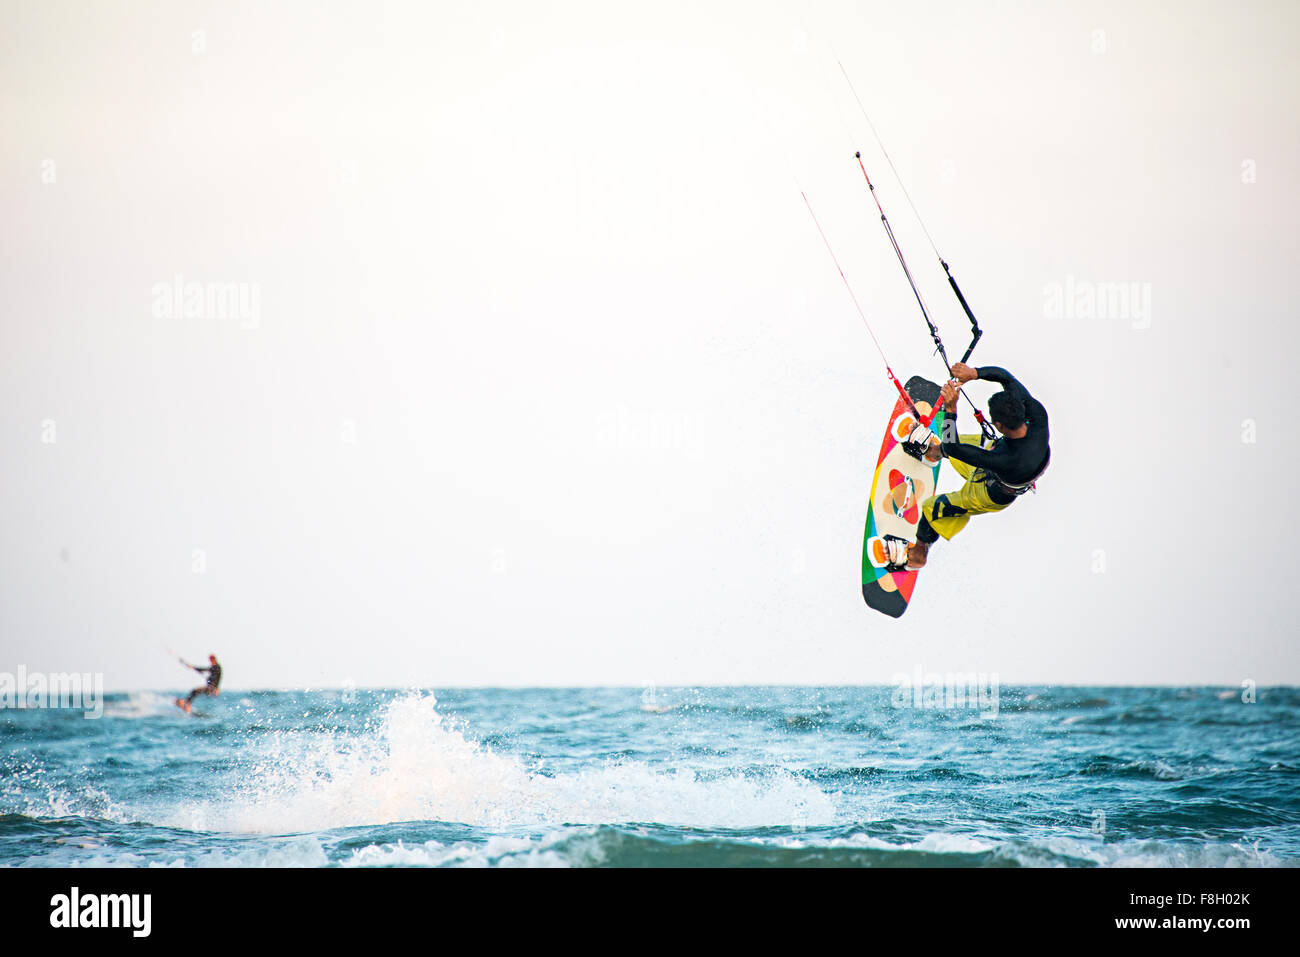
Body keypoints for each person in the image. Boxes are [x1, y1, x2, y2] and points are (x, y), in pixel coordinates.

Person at [883, 362, 1050, 571]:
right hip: (998, 455)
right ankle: (932, 451)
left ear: (999, 426)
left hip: (988, 492)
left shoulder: (1007, 459)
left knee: (932, 508)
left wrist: (950, 409)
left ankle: (918, 555)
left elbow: (953, 448)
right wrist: (974, 373)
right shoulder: (1037, 415)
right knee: (960, 444)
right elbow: (1006, 378)